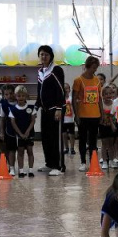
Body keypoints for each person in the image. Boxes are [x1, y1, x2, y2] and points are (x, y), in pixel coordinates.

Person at [36, 45, 66, 176]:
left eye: (46, 54)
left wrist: (59, 108)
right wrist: (36, 107)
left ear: (51, 56)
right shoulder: (40, 71)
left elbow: (61, 90)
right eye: (41, 54)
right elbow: (39, 92)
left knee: (55, 138)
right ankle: (49, 163)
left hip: (55, 109)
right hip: (45, 110)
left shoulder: (56, 69)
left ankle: (59, 166)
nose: (44, 57)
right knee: (46, 138)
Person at [72, 55, 101, 172]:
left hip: (95, 115)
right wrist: (76, 115)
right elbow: (74, 99)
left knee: (93, 141)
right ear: (88, 66)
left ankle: (93, 161)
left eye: (96, 67)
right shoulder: (78, 80)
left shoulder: (97, 80)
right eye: (93, 67)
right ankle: (83, 162)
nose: (95, 70)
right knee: (83, 139)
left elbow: (100, 99)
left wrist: (102, 114)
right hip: (83, 115)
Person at [9, 86, 37, 178]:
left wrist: (27, 132)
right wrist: (20, 134)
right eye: (18, 96)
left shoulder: (31, 108)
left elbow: (33, 121)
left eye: (23, 96)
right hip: (19, 134)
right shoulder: (13, 109)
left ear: (26, 96)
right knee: (20, 152)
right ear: (15, 96)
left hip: (29, 133)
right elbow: (13, 123)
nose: (21, 98)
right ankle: (21, 171)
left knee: (30, 151)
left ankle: (30, 170)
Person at [98, 84, 117, 170]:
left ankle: (112, 160)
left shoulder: (114, 104)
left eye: (110, 93)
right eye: (106, 94)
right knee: (104, 144)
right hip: (103, 126)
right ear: (103, 95)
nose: (108, 95)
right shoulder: (101, 104)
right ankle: (105, 161)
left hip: (111, 127)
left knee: (111, 145)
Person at [62, 82, 76, 156]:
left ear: (69, 90)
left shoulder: (71, 99)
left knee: (71, 135)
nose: (65, 90)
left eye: (67, 88)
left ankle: (72, 148)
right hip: (63, 120)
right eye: (64, 88)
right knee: (64, 134)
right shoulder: (61, 99)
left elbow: (74, 107)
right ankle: (66, 148)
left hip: (71, 120)